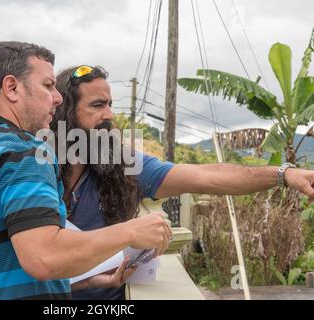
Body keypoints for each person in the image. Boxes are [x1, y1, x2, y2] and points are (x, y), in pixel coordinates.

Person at [0, 42, 171, 300]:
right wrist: (131, 231)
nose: (57, 97)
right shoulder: (22, 151)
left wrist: (88, 281)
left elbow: (1, 270)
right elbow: (43, 257)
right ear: (11, 88)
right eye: (47, 85)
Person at [51, 65, 314, 300]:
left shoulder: (120, 163)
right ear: (65, 113)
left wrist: (284, 175)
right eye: (97, 105)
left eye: (110, 104)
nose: (109, 115)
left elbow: (205, 177)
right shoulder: (32, 170)